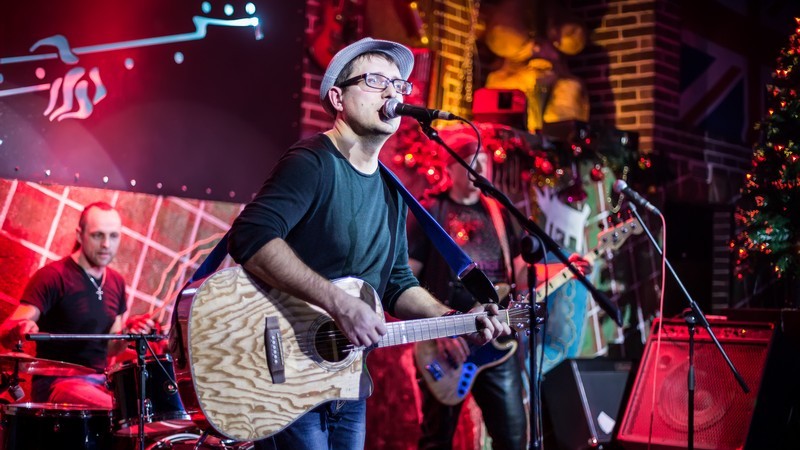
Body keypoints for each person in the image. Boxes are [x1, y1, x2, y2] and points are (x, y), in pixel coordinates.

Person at [226, 37, 511, 450]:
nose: (394, 92)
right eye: (376, 80)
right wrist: (339, 304)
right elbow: (249, 236)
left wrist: (455, 318)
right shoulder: (313, 161)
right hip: (285, 374)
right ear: (338, 97)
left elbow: (395, 282)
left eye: (399, 85)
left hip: (346, 379)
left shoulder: (393, 189)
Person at [408, 133, 590, 450]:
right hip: (446, 344)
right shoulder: (430, 212)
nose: (479, 167)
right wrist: (440, 331)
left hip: (497, 340)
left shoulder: (499, 212)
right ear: (450, 168)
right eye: (470, 161)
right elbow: (407, 279)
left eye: (484, 161)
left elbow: (520, 275)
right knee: (436, 440)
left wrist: (565, 269)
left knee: (512, 439)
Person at [0, 201, 154, 408]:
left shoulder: (116, 282)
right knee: (119, 409)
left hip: (100, 381)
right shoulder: (53, 277)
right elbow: (8, 329)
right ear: (80, 235)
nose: (106, 244)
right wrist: (20, 327)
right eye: (98, 235)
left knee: (151, 405)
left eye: (113, 236)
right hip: (57, 384)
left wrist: (129, 332)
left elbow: (111, 348)